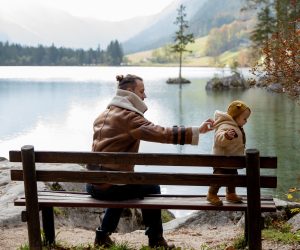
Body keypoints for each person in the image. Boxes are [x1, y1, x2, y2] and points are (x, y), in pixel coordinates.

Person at [86, 74, 214, 249]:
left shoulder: (104, 114)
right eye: (142, 91)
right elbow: (161, 133)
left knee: (121, 183)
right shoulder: (129, 117)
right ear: (130, 92)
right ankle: (156, 240)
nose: (144, 96)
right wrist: (197, 131)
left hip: (93, 185)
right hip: (108, 188)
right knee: (151, 187)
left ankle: (102, 236)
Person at [206, 100, 251, 206]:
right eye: (244, 118)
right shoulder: (225, 126)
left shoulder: (235, 125)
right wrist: (226, 136)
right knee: (219, 177)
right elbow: (218, 138)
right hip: (221, 160)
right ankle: (211, 194)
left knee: (233, 177)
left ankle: (231, 194)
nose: (246, 121)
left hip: (231, 160)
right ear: (235, 117)